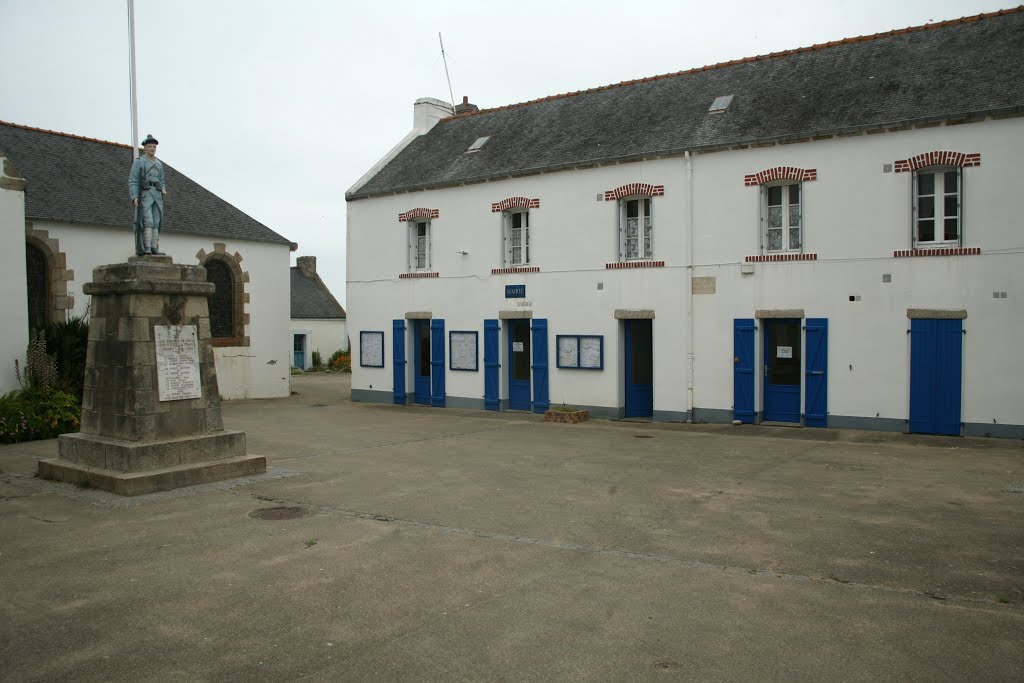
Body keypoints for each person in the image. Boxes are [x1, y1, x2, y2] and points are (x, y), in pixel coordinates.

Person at [128, 134, 167, 255]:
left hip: (157, 195)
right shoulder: (140, 162)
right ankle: (146, 247)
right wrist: (134, 197)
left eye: (154, 147)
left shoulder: (159, 164)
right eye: (150, 146)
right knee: (148, 221)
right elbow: (133, 180)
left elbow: (161, 180)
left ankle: (154, 247)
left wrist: (163, 190)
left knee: (156, 221)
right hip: (145, 195)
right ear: (144, 148)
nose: (152, 149)